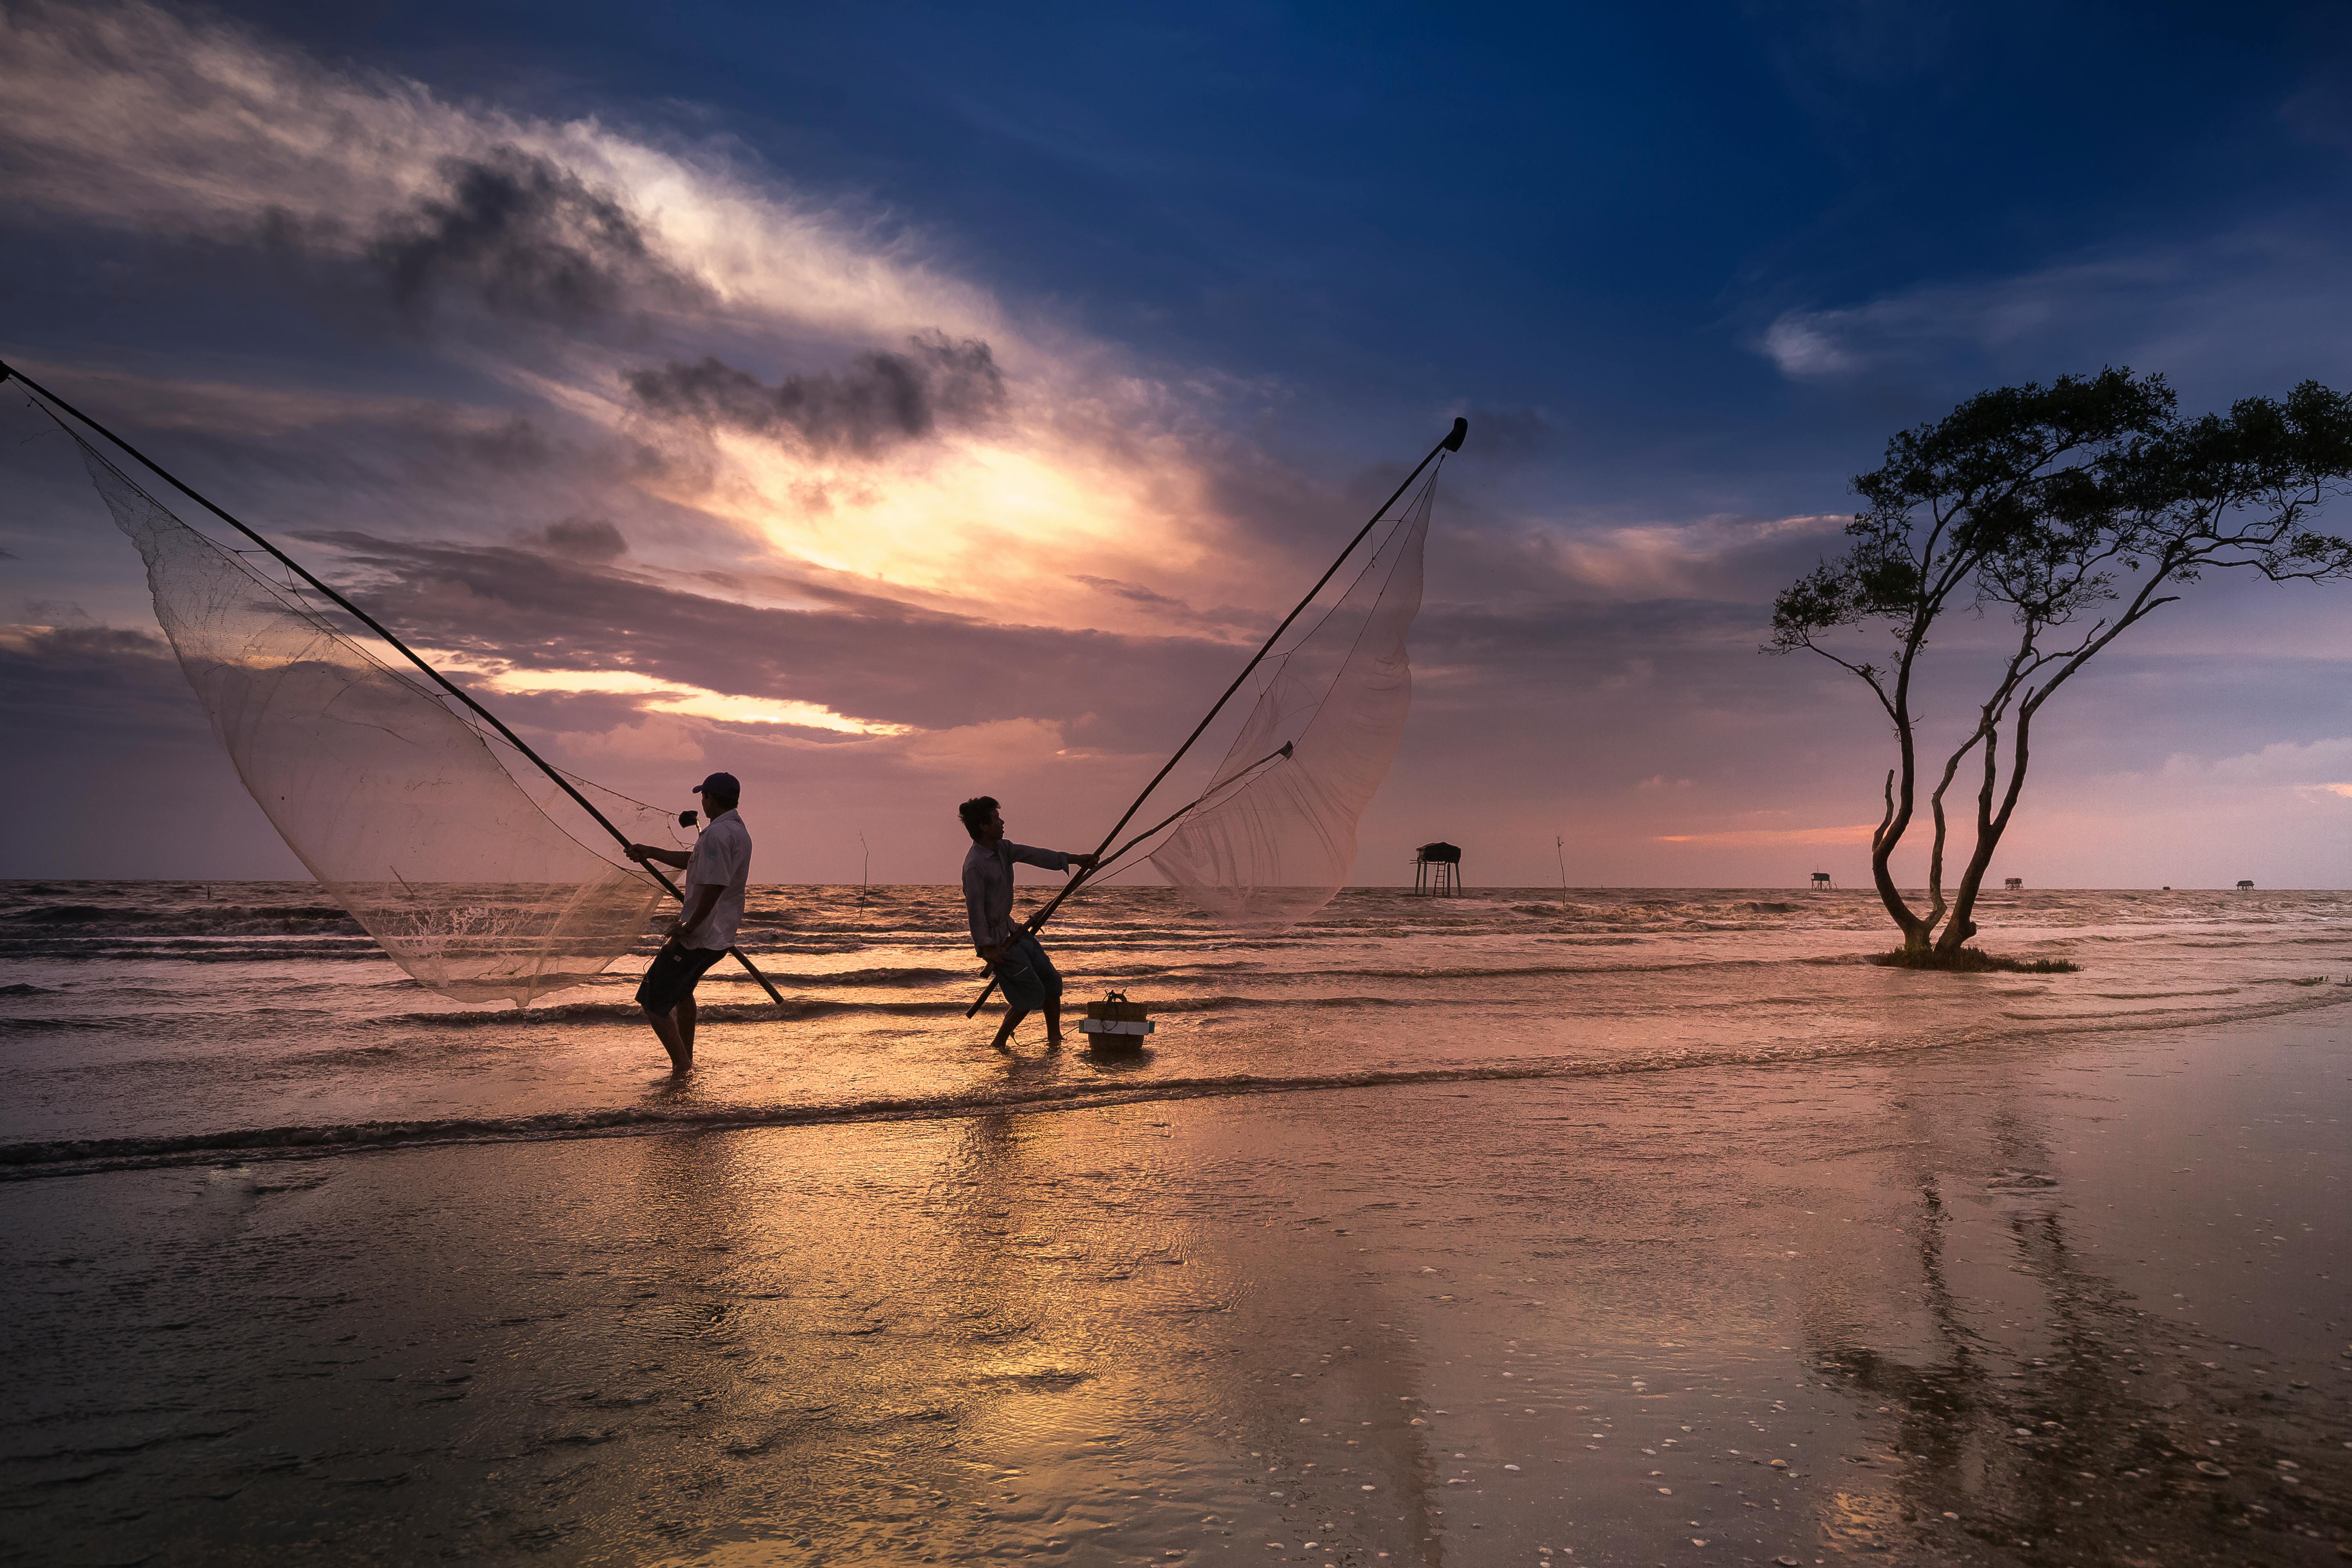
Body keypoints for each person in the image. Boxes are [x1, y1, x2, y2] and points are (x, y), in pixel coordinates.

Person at [625, 772, 752, 1072]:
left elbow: (716, 885)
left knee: (652, 1001)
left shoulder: (719, 835)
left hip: (701, 936)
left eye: (704, 796)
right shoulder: (735, 831)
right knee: (683, 994)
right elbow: (695, 861)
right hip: (719, 936)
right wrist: (652, 853)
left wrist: (689, 928)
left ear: (711, 799)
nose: (702, 801)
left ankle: (682, 1067)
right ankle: (687, 1061)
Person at [959, 795, 1096, 1053]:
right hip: (996, 943)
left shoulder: (1003, 849)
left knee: (1051, 982)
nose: (1002, 822)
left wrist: (1075, 859)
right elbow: (975, 912)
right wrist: (988, 950)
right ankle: (999, 1042)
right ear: (983, 827)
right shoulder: (975, 866)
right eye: (996, 818)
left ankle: (1055, 1040)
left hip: (1014, 932)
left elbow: (1035, 855)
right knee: (1030, 993)